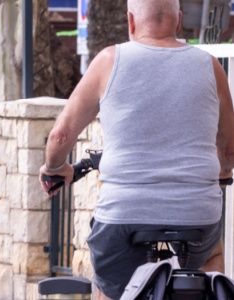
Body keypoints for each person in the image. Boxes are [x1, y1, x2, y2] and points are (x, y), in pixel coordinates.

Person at [40, 0, 234, 298]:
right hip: (197, 211)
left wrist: (54, 168)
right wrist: (221, 173)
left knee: (109, 285)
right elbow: (229, 148)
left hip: (124, 211)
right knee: (210, 257)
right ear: (179, 21)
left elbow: (60, 135)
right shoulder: (210, 66)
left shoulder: (108, 61)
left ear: (130, 21)